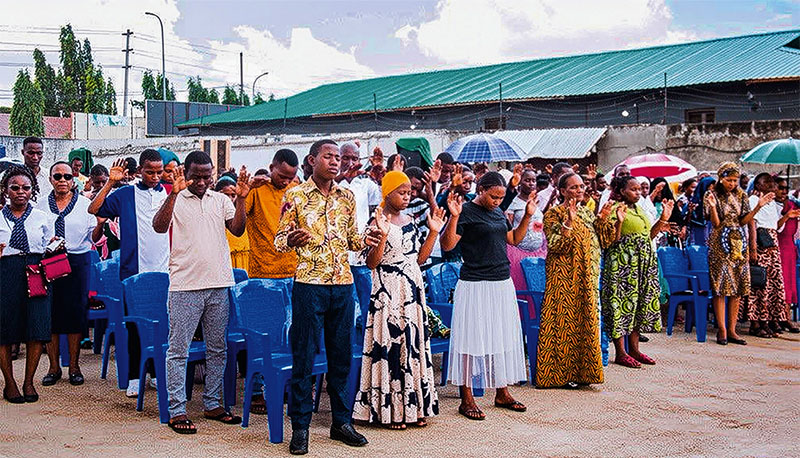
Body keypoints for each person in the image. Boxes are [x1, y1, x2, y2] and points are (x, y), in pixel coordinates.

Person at [275, 139, 376, 454]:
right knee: (304, 358)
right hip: (309, 285)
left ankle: (341, 423)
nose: (335, 162)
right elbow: (279, 241)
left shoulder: (347, 196)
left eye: (337, 158)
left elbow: (350, 239)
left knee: (342, 358)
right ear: (312, 160)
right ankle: (301, 428)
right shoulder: (295, 195)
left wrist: (368, 239)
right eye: (328, 157)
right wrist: (290, 238)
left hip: (342, 284)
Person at [152, 151, 248, 434]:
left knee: (218, 349)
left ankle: (213, 403)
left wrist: (241, 198)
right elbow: (159, 227)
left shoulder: (220, 200)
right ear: (186, 172)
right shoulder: (176, 198)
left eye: (207, 176)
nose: (202, 181)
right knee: (178, 351)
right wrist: (174, 193)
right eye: (197, 176)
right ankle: (177, 410)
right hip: (185, 286)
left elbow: (238, 230)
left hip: (219, 284)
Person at [352, 171, 444, 429]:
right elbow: (372, 262)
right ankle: (391, 411)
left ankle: (416, 407)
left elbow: (420, 259)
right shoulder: (377, 220)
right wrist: (381, 235)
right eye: (401, 193)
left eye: (408, 193)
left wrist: (433, 233)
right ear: (387, 193)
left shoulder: (411, 219)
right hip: (387, 290)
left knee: (412, 345)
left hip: (412, 289)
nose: (407, 197)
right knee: (391, 345)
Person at [440, 171, 533, 421]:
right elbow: (447, 245)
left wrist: (528, 216)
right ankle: (466, 398)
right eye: (493, 196)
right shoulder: (466, 212)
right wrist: (454, 217)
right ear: (480, 189)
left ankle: (501, 391)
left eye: (501, 197)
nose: (497, 201)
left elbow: (513, 239)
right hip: (474, 284)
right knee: (470, 339)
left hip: (501, 282)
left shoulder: (498, 212)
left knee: (500, 337)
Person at [89, 149, 169, 396]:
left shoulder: (169, 192)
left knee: (162, 325)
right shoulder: (126, 193)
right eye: (150, 171)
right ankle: (135, 376)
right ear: (139, 171)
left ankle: (156, 373)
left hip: (165, 270)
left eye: (159, 171)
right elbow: (94, 209)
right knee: (135, 326)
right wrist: (111, 182)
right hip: (134, 271)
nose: (155, 176)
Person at [537, 173, 616, 388]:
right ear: (563, 191)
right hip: (564, 278)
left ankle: (583, 374)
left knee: (586, 323)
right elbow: (555, 245)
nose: (579, 190)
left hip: (587, 276)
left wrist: (604, 219)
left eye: (581, 186)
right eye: (573, 187)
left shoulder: (587, 212)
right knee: (563, 324)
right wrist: (569, 223)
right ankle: (557, 376)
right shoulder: (554, 214)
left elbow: (606, 241)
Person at [39, 162, 100, 387]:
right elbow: (36, 235)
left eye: (66, 176)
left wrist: (100, 224)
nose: (62, 180)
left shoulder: (86, 205)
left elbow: (94, 237)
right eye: (58, 176)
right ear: (51, 179)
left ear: (73, 180)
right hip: (50, 260)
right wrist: (48, 242)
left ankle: (74, 366)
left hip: (77, 261)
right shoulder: (39, 206)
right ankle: (54, 367)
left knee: (75, 314)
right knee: (50, 313)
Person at [602, 176, 670, 368]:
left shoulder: (638, 208)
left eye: (640, 189)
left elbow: (648, 235)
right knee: (620, 304)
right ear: (622, 191)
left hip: (642, 265)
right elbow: (609, 240)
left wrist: (663, 219)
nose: (638, 193)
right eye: (633, 189)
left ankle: (635, 349)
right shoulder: (614, 208)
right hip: (622, 264)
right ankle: (621, 352)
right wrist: (619, 223)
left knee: (638, 304)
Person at [0, 166, 53, 404]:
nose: (20, 192)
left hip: (36, 271)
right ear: (5, 191)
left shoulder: (43, 217)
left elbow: (48, 248)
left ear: (32, 190)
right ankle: (10, 383)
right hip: (5, 273)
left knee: (36, 328)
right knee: (4, 331)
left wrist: (54, 247)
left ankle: (29, 381)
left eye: (26, 188)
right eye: (15, 188)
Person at [704, 162, 770, 345]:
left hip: (739, 244)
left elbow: (743, 221)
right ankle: (722, 330)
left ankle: (732, 330)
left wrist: (758, 208)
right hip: (719, 244)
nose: (732, 183)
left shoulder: (741, 195)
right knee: (720, 288)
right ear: (721, 178)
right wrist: (713, 207)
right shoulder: (712, 194)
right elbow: (716, 224)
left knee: (738, 288)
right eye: (729, 180)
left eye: (735, 180)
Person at [336, 141, 383, 328]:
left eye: (354, 158)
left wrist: (379, 177)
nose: (350, 162)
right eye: (345, 158)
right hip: (339, 255)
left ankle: (366, 341)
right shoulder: (330, 182)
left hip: (361, 254)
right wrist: (342, 177)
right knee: (342, 305)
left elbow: (378, 207)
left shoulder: (365, 184)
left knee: (367, 301)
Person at [743, 173, 788, 338]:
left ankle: (766, 321)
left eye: (772, 183)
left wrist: (787, 215)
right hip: (761, 247)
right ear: (759, 185)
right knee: (759, 285)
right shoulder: (754, 201)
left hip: (772, 247)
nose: (771, 186)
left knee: (772, 286)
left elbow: (775, 226)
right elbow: (752, 224)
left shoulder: (772, 204)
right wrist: (753, 248)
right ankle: (755, 323)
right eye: (767, 183)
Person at [246, 149, 299, 280]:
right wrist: (245, 191)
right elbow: (237, 218)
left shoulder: (295, 190)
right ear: (271, 168)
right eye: (282, 176)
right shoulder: (256, 188)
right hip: (262, 270)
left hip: (293, 268)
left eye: (290, 178)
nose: (286, 182)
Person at [505, 169, 546, 291]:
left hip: (537, 252)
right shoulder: (513, 202)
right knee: (521, 287)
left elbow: (537, 224)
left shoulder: (535, 201)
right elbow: (509, 227)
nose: (531, 183)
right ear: (520, 182)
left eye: (533, 180)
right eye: (527, 180)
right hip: (517, 253)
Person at [774, 176, 800, 333]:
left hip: (790, 247)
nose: (783, 191)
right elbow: (774, 226)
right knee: (779, 283)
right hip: (778, 246)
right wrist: (786, 216)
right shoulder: (772, 206)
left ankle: (786, 317)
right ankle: (776, 317)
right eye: (780, 188)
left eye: (785, 188)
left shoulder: (791, 204)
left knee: (789, 284)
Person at [216, 177, 250, 272]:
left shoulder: (241, 210)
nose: (230, 199)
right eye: (226, 195)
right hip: (223, 258)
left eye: (233, 195)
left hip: (242, 257)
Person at [689, 176, 716, 246]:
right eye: (711, 186)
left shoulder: (715, 200)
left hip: (712, 230)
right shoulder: (695, 202)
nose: (713, 188)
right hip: (698, 230)